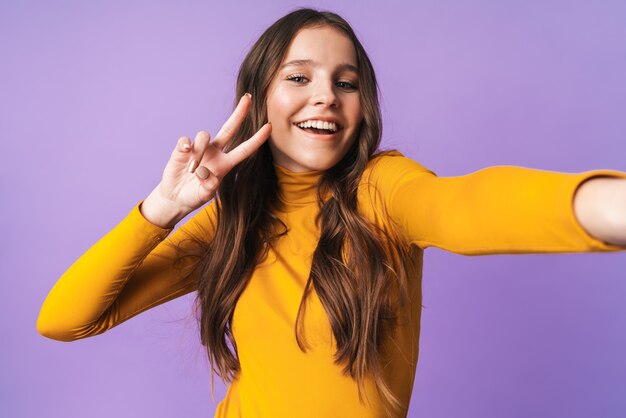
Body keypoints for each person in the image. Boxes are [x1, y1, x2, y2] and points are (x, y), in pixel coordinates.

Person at [36, 8, 626, 418]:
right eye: (300, 77)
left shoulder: (381, 190)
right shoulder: (229, 225)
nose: (326, 95)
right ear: (258, 96)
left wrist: (605, 204)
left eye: (346, 82)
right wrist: (162, 210)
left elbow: (464, 207)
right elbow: (65, 319)